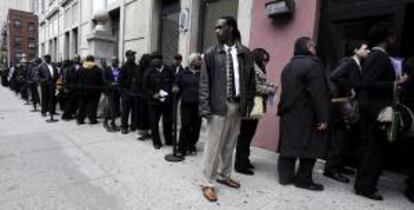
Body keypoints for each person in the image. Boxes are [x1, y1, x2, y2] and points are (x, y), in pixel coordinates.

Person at [199, 16, 256, 202]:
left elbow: (251, 81)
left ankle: (224, 175)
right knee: (213, 147)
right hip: (218, 106)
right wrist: (205, 107)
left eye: (220, 27)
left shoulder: (245, 53)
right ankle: (207, 183)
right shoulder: (210, 53)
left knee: (230, 144)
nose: (216, 31)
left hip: (237, 105)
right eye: (215, 28)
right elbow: (205, 83)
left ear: (231, 28)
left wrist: (248, 104)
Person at [355, 24, 408, 201]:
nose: (395, 40)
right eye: (393, 37)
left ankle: (363, 184)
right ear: (387, 38)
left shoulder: (376, 56)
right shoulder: (380, 57)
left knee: (370, 149)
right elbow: (368, 83)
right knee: (374, 150)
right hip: (375, 109)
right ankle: (366, 188)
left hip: (371, 108)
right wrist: (396, 84)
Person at [277, 37, 330, 192]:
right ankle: (303, 180)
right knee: (311, 147)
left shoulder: (288, 66)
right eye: (313, 46)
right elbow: (318, 94)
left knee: (288, 146)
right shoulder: (314, 65)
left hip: (288, 112)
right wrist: (323, 117)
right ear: (308, 47)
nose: (315, 49)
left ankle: (285, 178)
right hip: (307, 114)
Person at [324, 40, 370, 183]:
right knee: (339, 137)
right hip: (342, 106)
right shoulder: (349, 62)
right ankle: (331, 170)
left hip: (347, 105)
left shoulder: (357, 64)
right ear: (356, 50)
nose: (368, 51)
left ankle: (340, 165)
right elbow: (334, 76)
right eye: (366, 48)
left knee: (345, 137)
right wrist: (350, 89)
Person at [235, 48, 277, 175]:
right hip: (250, 105)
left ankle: (245, 160)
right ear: (257, 57)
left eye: (266, 60)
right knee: (245, 136)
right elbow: (254, 86)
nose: (265, 62)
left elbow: (259, 83)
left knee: (248, 135)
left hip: (254, 106)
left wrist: (269, 85)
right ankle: (240, 164)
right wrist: (270, 89)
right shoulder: (251, 68)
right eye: (264, 59)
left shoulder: (258, 68)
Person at [143, 52, 175, 149]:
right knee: (154, 122)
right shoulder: (148, 72)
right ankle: (156, 142)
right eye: (153, 59)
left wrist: (174, 87)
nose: (155, 61)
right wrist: (153, 94)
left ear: (161, 59)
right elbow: (145, 87)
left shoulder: (169, 70)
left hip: (167, 101)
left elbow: (174, 81)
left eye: (157, 59)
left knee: (168, 122)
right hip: (154, 102)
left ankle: (169, 140)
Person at [175, 53, 203, 156]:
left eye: (200, 60)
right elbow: (176, 83)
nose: (199, 62)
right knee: (185, 126)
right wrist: (175, 88)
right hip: (186, 104)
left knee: (196, 127)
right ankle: (181, 148)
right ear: (191, 62)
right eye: (197, 60)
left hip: (199, 104)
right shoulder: (183, 73)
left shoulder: (203, 74)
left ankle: (191, 145)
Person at [76, 55, 103, 125]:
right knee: (93, 106)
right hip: (94, 91)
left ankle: (80, 119)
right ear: (93, 60)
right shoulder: (97, 69)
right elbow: (100, 81)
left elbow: (77, 79)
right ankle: (92, 119)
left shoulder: (81, 69)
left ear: (86, 60)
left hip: (82, 91)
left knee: (82, 106)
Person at [119, 50, 138, 134]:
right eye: (131, 55)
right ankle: (124, 126)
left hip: (135, 93)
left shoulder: (137, 67)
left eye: (134, 55)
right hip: (126, 92)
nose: (133, 57)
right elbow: (120, 82)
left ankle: (133, 125)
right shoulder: (124, 67)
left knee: (135, 110)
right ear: (127, 56)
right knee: (125, 111)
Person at [134, 54, 152, 140]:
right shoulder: (141, 70)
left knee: (145, 115)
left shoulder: (143, 69)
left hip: (144, 97)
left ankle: (145, 131)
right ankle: (142, 132)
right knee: (142, 115)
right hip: (141, 97)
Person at [102, 57, 121, 132]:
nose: (114, 62)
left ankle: (111, 122)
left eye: (116, 60)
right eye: (113, 60)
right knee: (111, 107)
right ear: (111, 61)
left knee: (115, 107)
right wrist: (110, 84)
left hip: (117, 92)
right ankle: (109, 122)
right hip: (110, 91)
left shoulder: (119, 69)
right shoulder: (107, 69)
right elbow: (104, 79)